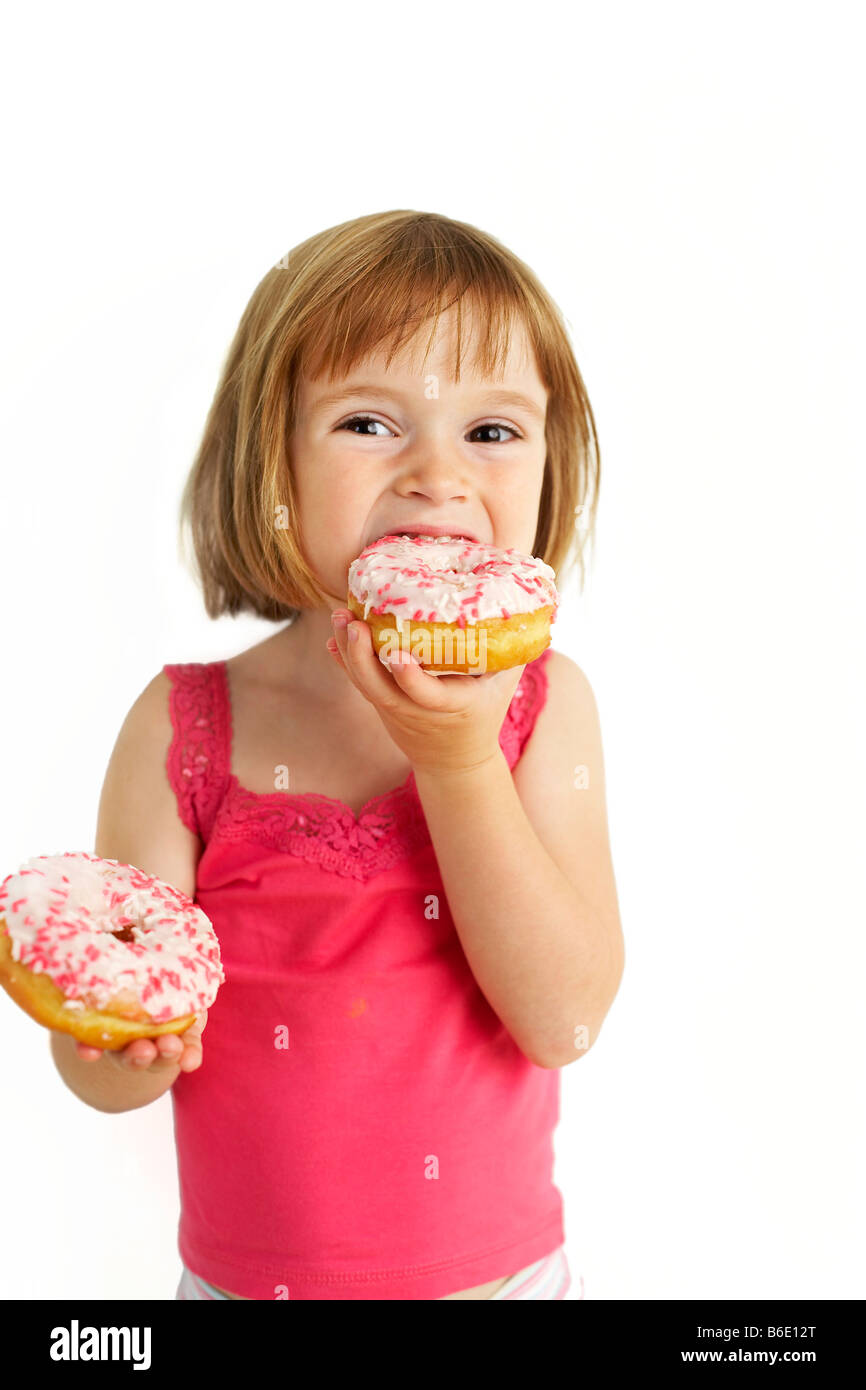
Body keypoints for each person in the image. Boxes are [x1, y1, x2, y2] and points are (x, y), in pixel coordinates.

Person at [50, 209, 623, 1300]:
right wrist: (113, 1051)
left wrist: (458, 763)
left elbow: (563, 1017)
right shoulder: (183, 728)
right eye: (368, 423)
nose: (436, 476)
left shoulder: (541, 708)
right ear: (271, 457)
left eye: (491, 433)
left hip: (495, 1286)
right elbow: (110, 1037)